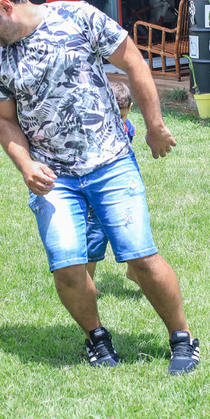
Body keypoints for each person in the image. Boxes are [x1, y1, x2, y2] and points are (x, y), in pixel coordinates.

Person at [0, 0, 200, 375]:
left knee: (140, 256)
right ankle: (97, 339)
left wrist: (155, 126)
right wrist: (26, 164)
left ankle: (182, 338)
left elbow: (134, 61)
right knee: (68, 267)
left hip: (110, 162)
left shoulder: (78, 17)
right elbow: (5, 121)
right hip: (54, 178)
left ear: (5, 7)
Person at [85, 79, 135, 282]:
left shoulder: (128, 129)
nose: (117, 121)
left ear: (130, 109)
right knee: (95, 234)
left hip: (120, 187)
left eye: (121, 116)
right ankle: (87, 282)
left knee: (128, 228)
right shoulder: (93, 130)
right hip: (97, 190)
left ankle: (134, 270)